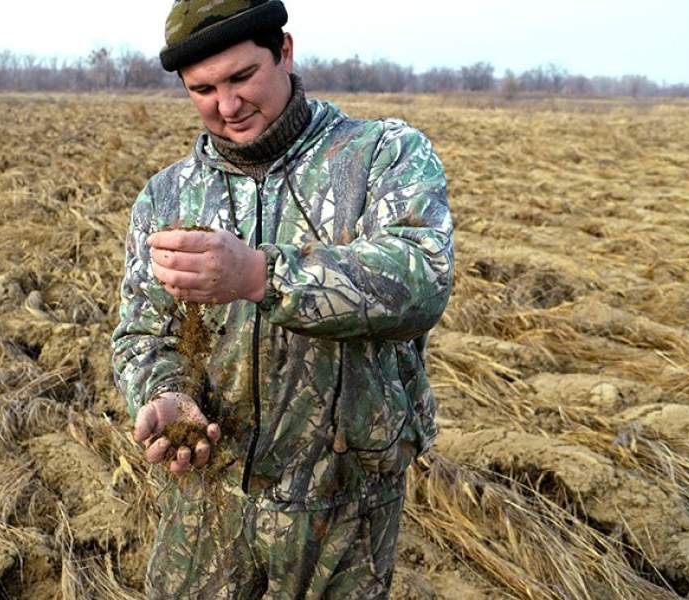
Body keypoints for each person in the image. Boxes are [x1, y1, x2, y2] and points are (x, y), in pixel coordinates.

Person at [111, 1, 454, 597]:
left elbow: (422, 281)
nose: (227, 105)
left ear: (285, 52)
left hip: (344, 500)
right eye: (202, 89)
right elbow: (143, 332)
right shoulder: (167, 196)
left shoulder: (381, 155)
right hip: (208, 493)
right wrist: (164, 391)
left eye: (242, 77)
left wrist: (259, 274)